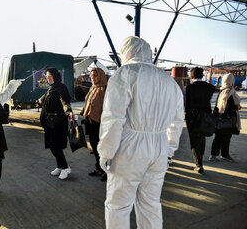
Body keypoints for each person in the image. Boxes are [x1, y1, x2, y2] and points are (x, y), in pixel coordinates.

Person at [97, 36, 184, 229]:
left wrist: (106, 152)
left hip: (131, 146)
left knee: (118, 205)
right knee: (150, 204)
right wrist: (169, 150)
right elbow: (177, 121)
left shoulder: (126, 73)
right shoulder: (169, 81)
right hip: (159, 146)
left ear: (126, 52)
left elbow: (113, 118)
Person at [37, 68, 74, 180]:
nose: (48, 78)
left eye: (50, 76)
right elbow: (44, 98)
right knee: (54, 145)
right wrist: (38, 101)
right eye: (47, 76)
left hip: (58, 122)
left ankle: (65, 168)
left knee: (55, 146)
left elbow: (65, 102)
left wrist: (69, 112)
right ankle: (59, 166)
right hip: (50, 122)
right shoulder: (51, 88)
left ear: (55, 76)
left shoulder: (60, 87)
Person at [185, 67, 216, 174]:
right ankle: (200, 160)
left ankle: (199, 165)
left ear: (191, 76)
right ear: (202, 76)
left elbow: (185, 102)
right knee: (202, 137)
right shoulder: (210, 87)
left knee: (194, 140)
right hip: (206, 117)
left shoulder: (188, 88)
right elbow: (210, 101)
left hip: (192, 117)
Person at [80, 67, 107, 181]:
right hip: (91, 122)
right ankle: (98, 168)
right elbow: (88, 102)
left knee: (104, 149)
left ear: (100, 75)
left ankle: (106, 171)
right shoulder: (93, 88)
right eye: (91, 76)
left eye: (94, 76)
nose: (92, 78)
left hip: (101, 124)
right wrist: (82, 114)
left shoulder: (106, 89)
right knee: (95, 147)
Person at [209, 73, 242, 162]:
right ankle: (214, 155)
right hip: (225, 119)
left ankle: (224, 155)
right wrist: (237, 107)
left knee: (225, 137)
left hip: (223, 119)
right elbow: (226, 106)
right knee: (221, 137)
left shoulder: (222, 90)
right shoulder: (228, 91)